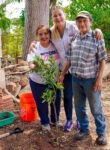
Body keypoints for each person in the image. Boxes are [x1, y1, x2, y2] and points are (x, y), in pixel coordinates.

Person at [29, 5, 103, 132]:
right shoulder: (52, 32)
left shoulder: (73, 26)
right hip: (63, 69)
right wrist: (33, 43)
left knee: (81, 97)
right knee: (68, 97)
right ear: (52, 18)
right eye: (55, 16)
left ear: (64, 15)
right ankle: (69, 120)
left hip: (78, 69)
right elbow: (43, 38)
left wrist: (98, 30)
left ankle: (81, 122)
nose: (58, 17)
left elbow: (86, 28)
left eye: (60, 14)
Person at [59, 11, 107, 145]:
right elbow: (69, 59)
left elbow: (102, 60)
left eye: (84, 21)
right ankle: (84, 130)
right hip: (75, 79)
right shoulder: (75, 39)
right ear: (76, 24)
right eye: (79, 21)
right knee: (79, 107)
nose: (82, 24)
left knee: (96, 108)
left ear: (90, 22)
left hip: (90, 80)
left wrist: (99, 79)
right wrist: (62, 74)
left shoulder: (97, 37)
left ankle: (102, 133)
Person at [27, 25, 61, 131]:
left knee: (56, 101)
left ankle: (55, 120)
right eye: (40, 34)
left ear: (50, 34)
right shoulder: (35, 47)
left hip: (54, 80)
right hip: (37, 81)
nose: (43, 36)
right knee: (42, 103)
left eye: (46, 33)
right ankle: (45, 122)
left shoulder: (55, 45)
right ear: (37, 36)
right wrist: (35, 65)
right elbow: (31, 64)